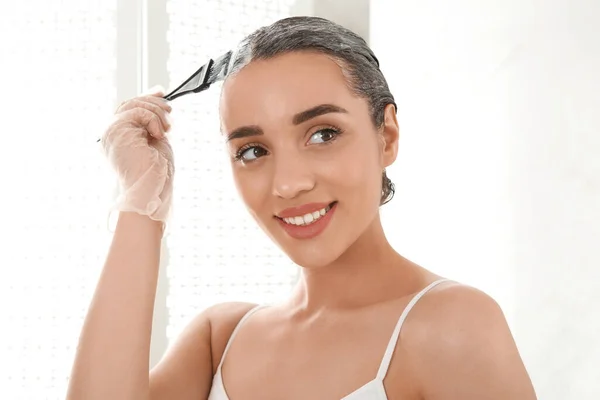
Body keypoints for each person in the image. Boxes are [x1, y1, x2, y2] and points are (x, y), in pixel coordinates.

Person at [66, 16, 537, 400]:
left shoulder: (452, 326)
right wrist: (141, 198)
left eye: (323, 134)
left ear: (386, 135)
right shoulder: (220, 340)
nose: (289, 184)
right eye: (253, 150)